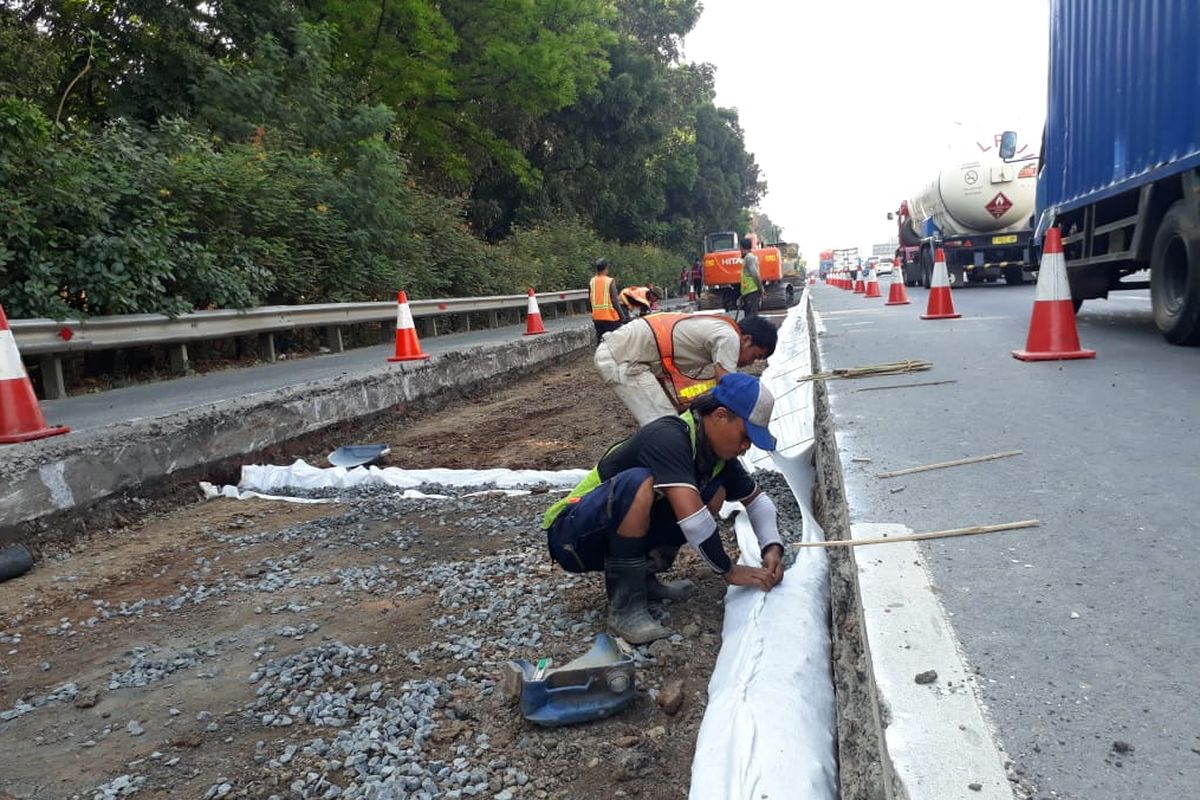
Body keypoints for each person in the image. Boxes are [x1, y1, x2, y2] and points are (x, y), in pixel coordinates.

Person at [541, 373, 786, 644]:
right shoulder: (669, 437)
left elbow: (756, 500)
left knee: (712, 493)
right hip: (571, 536)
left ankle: (643, 580)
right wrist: (729, 570)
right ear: (719, 415)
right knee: (641, 483)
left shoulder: (716, 457)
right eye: (744, 436)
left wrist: (771, 548)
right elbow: (693, 521)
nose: (745, 446)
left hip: (603, 536)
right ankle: (625, 610)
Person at [594, 313, 777, 426]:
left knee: (670, 420)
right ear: (746, 340)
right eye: (756, 356)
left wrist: (675, 405)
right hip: (622, 359)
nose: (751, 362)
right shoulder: (730, 337)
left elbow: (657, 370)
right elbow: (726, 386)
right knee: (665, 427)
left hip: (626, 354)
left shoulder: (720, 327)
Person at [589, 258, 629, 343]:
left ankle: (599, 355)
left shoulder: (592, 281)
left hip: (597, 318)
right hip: (609, 317)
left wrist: (593, 313)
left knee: (601, 341)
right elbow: (614, 301)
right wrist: (622, 317)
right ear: (606, 268)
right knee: (614, 342)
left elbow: (590, 299)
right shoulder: (609, 281)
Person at [739, 237, 764, 320]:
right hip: (748, 294)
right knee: (749, 318)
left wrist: (761, 289)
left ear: (742, 248)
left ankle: (753, 333)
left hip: (752, 293)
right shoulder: (747, 258)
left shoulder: (749, 258)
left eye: (740, 248)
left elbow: (755, 274)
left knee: (751, 319)